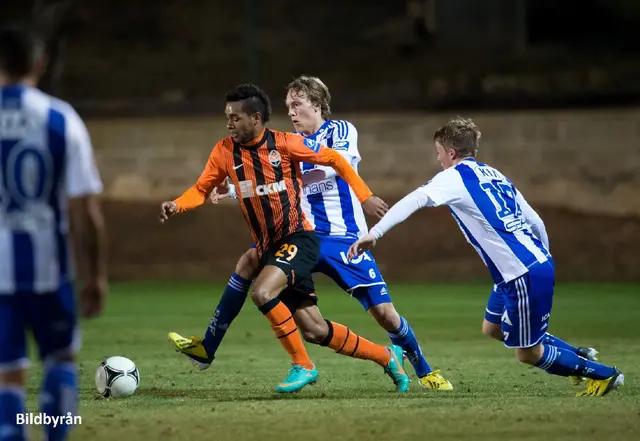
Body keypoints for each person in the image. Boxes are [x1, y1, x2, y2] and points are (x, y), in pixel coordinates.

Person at [169, 75, 452, 391]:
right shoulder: (284, 144)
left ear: (317, 105)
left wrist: (258, 176)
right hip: (301, 235)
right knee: (259, 270)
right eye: (288, 106)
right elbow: (270, 181)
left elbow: (331, 165)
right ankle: (210, 347)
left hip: (344, 237)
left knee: (386, 314)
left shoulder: (339, 131)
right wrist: (236, 187)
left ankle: (425, 371)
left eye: (297, 105)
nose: (291, 112)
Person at [347, 117, 624, 398]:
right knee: (492, 327)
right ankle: (577, 355)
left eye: (438, 153)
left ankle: (603, 373)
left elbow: (414, 200)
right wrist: (542, 258)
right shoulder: (494, 174)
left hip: (520, 273)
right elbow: (536, 221)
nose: (439, 159)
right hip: (523, 268)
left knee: (528, 354)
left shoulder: (452, 177)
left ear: (451, 153)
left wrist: (376, 232)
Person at [0, 26, 108, 441]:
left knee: (8, 377)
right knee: (60, 361)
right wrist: (96, 276)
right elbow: (86, 212)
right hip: (50, 272)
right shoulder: (61, 118)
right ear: (39, 64)